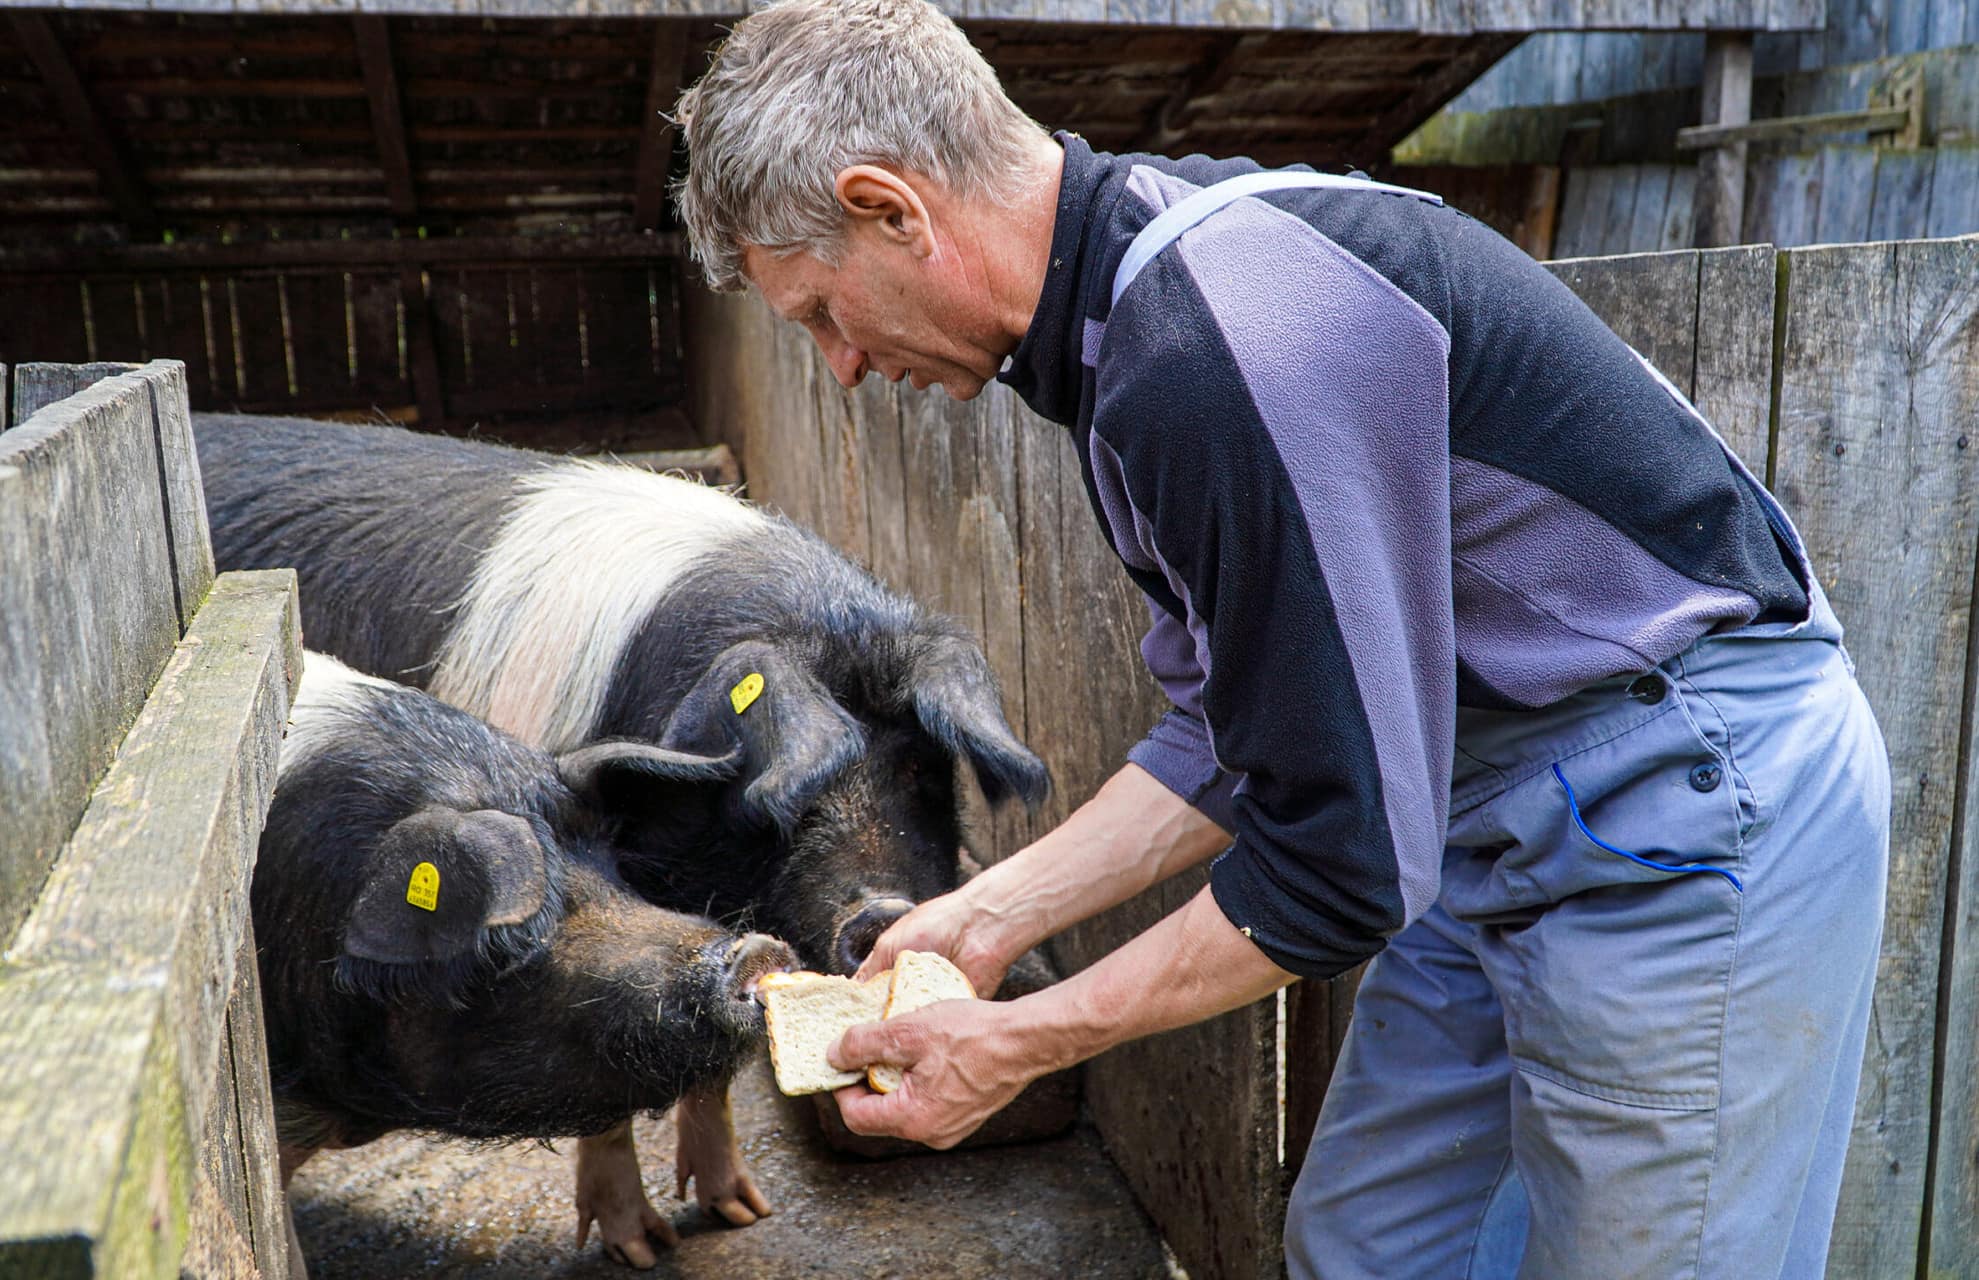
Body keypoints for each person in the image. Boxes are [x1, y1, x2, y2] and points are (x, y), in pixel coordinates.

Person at [672, 2, 1893, 1274]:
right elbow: (1228, 725)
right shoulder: (1124, 309)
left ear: (891, 209)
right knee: (1366, 1243)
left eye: (820, 311)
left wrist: (1018, 1043)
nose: (842, 366)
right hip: (1479, 808)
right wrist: (981, 919)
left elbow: (1336, 865)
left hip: (1676, 796)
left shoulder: (1208, 347)